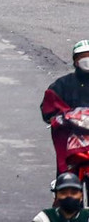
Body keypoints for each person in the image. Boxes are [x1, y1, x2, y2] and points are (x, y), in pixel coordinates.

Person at [43, 39, 89, 173]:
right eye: (82, 56)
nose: (87, 59)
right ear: (75, 61)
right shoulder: (62, 84)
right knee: (66, 178)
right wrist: (59, 118)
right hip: (72, 137)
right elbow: (48, 108)